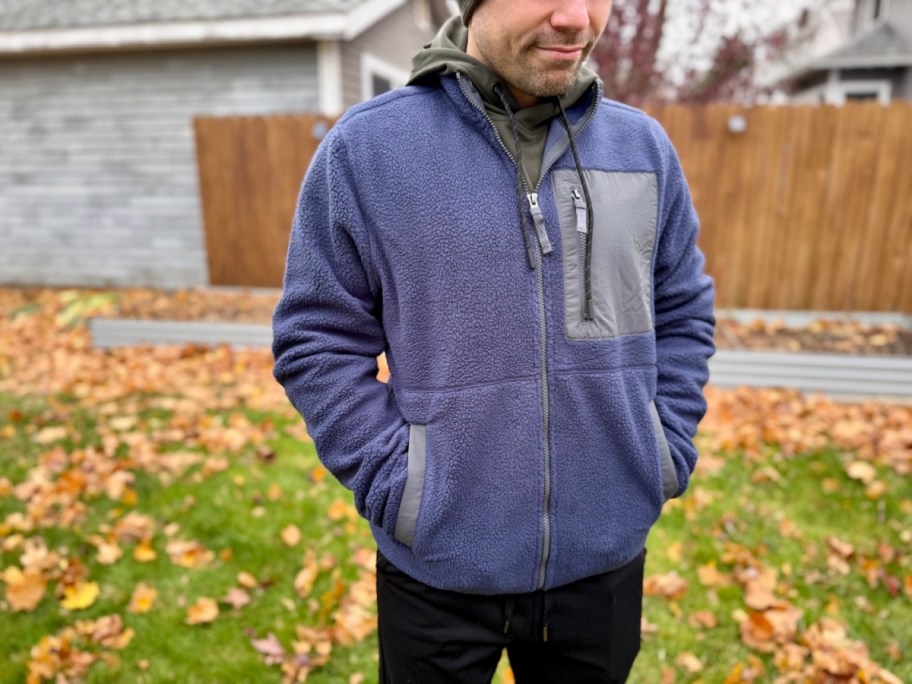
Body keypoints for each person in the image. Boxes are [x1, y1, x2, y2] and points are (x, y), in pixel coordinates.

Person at [272, 0, 715, 681]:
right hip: (437, 572)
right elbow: (316, 339)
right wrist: (403, 486)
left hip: (602, 565)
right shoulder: (368, 152)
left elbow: (682, 307)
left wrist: (662, 447)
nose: (576, 18)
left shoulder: (644, 150)